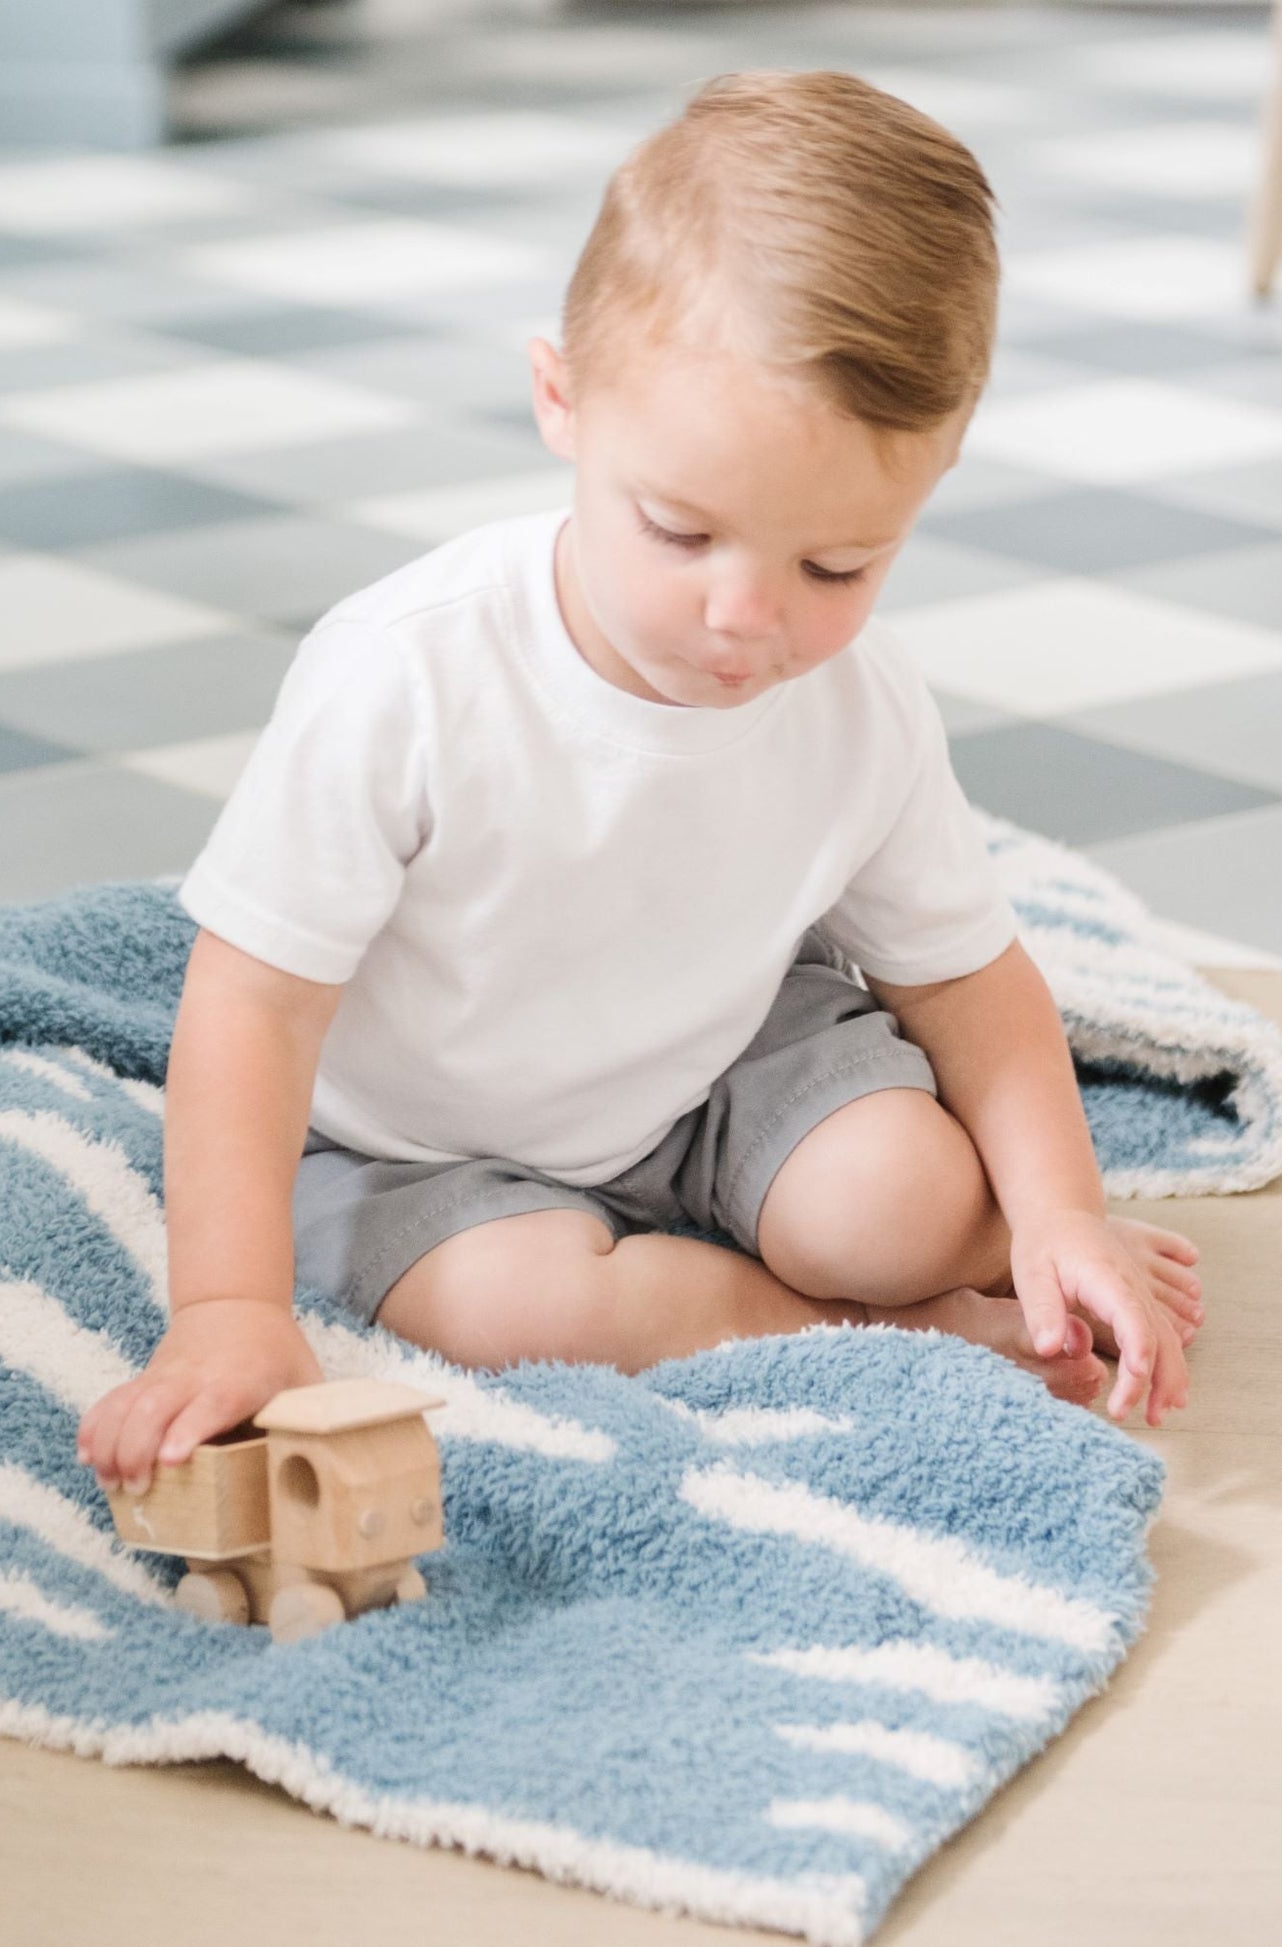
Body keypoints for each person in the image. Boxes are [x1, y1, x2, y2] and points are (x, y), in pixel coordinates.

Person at [78, 69, 1204, 1498]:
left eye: (835, 567)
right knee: (520, 1316)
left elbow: (967, 981)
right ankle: (885, 1338)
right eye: (679, 532)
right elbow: (249, 1002)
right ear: (561, 400)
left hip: (720, 1065)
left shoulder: (855, 705)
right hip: (427, 1146)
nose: (748, 618)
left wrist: (1058, 1213)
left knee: (910, 1200)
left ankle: (935, 1272)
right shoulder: (406, 673)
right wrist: (226, 1312)